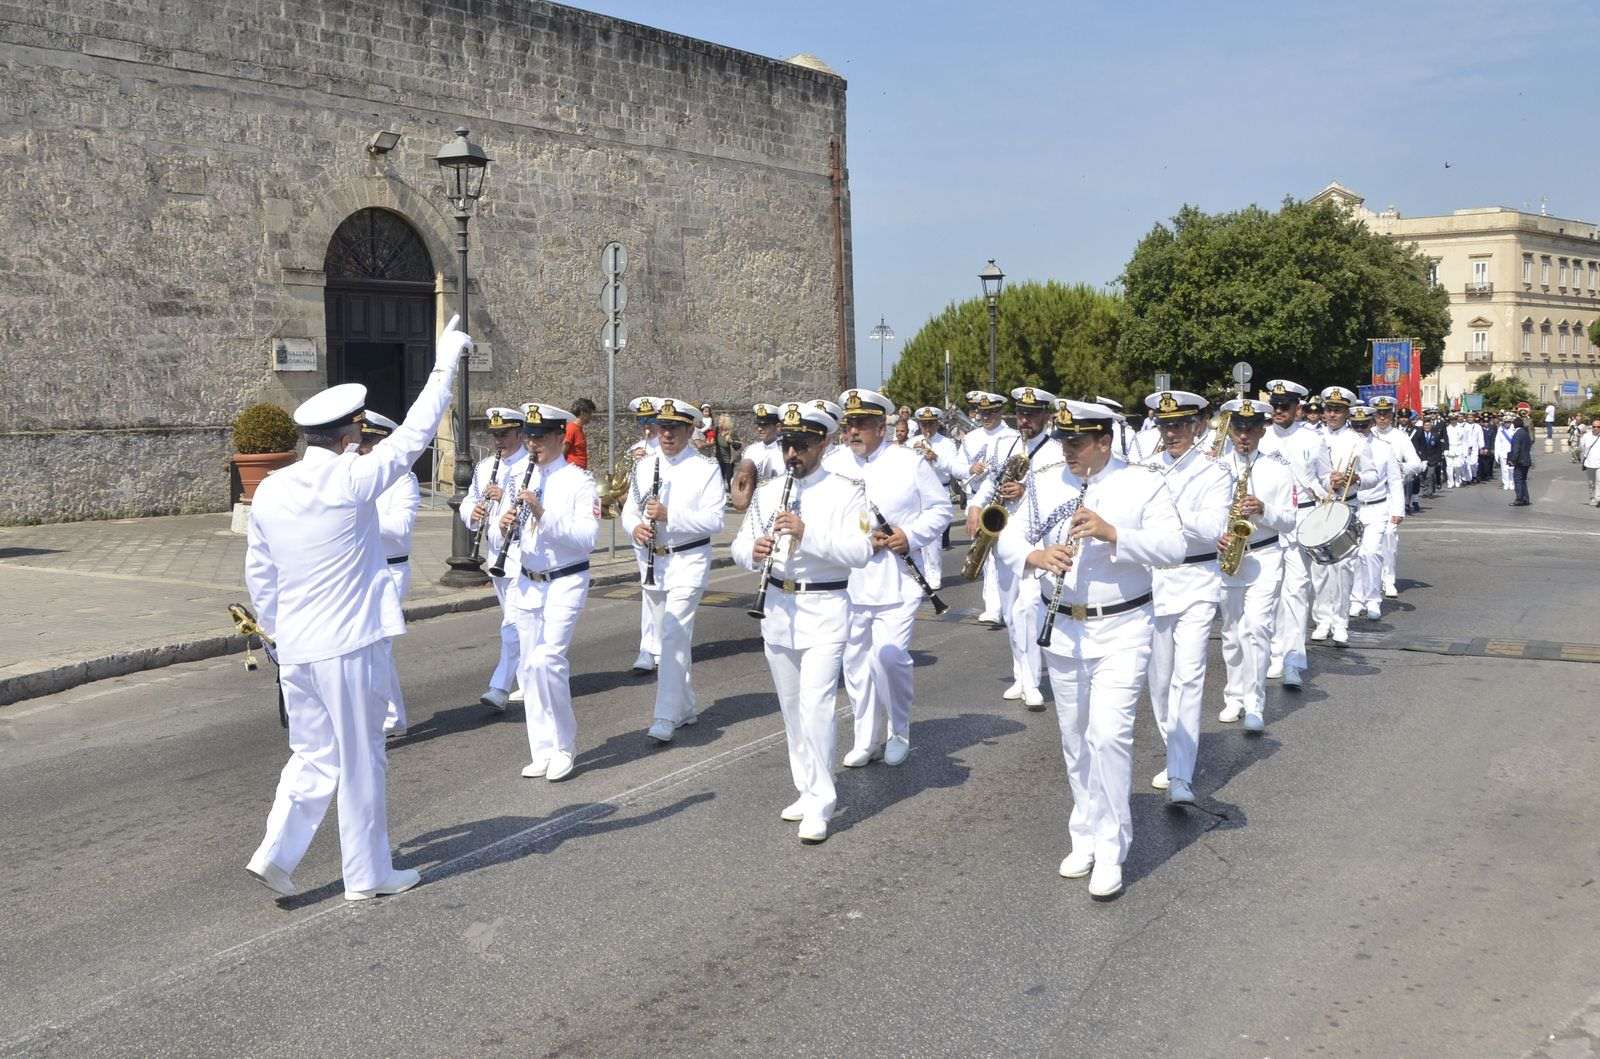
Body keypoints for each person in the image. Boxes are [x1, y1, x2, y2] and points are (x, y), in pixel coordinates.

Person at [243, 314, 471, 902]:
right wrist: (445, 362)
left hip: (295, 646)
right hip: (348, 645)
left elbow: (260, 572)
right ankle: (367, 874)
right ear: (351, 434)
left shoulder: (270, 488)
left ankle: (276, 852)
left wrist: (271, 633)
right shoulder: (351, 479)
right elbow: (417, 434)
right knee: (362, 760)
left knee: (312, 755)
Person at [995, 399, 1184, 899]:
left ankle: (1112, 843)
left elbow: (1173, 548)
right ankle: (1084, 831)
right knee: (1075, 738)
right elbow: (1007, 540)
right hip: (1061, 626)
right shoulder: (1044, 482)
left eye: (1077, 442)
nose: (1068, 451)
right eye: (1063, 441)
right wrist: (1036, 555)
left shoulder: (1142, 483)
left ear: (1104, 441)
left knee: (1109, 736)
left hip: (1123, 627)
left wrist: (1113, 533)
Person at [731, 401, 873, 844]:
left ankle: (821, 802)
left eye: (803, 445)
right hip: (777, 608)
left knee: (816, 707)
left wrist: (807, 533)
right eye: (788, 444)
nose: (793, 453)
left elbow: (861, 552)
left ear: (824, 444)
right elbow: (737, 545)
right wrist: (751, 551)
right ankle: (805, 786)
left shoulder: (848, 490)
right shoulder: (771, 491)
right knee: (792, 709)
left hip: (825, 608)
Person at [823, 388, 953, 767]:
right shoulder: (834, 463)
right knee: (855, 663)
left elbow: (940, 509)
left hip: (897, 580)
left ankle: (899, 729)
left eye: (862, 424)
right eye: (849, 424)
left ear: (882, 426)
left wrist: (908, 535)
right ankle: (865, 738)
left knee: (889, 659)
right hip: (848, 580)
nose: (853, 432)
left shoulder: (908, 462)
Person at [495, 403, 599, 782]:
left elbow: (587, 539)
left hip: (565, 580)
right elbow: (496, 533)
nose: (532, 444)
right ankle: (541, 749)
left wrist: (541, 514)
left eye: (539, 437)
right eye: (529, 437)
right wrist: (502, 526)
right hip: (527, 580)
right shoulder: (521, 478)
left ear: (559, 437)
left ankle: (564, 745)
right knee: (528, 666)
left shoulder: (578, 481)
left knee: (548, 661)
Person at [1138, 390, 1231, 805]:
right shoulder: (1143, 469)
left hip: (1196, 578)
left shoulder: (1215, 471)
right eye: (1164, 424)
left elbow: (1213, 526)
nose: (1171, 432)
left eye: (1178, 425)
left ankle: (1181, 775)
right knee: (1159, 682)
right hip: (1154, 581)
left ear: (1196, 427)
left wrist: (1162, 511)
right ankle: (1172, 748)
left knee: (1189, 677)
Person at [622, 397, 727, 743]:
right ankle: (685, 706)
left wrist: (671, 516)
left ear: (688, 429)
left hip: (689, 560)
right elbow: (629, 510)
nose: (666, 434)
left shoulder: (705, 468)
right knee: (672, 636)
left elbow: (715, 520)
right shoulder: (644, 466)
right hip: (656, 559)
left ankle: (665, 715)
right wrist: (635, 527)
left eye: (674, 428)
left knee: (671, 633)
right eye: (662, 427)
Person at [1215, 400, 1296, 735]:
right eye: (1238, 428)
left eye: (1250, 428)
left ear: (1263, 430)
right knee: (1232, 632)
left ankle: (1255, 702)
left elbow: (1290, 521)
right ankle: (1233, 696)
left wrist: (1263, 510)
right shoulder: (1216, 469)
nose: (1243, 435)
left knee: (1258, 629)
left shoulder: (1277, 470)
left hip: (1264, 556)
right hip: (1229, 558)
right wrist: (1214, 537)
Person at [1258, 379, 1327, 692]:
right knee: (1268, 592)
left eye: (1284, 406)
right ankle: (1273, 652)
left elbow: (1325, 481)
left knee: (1296, 591)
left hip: (1301, 521)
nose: (1278, 411)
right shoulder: (1261, 436)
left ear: (1298, 408)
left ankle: (1293, 661)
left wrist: (1335, 482)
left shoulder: (1313, 439)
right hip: (1267, 521)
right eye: (1274, 406)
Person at [355, 411, 420, 738]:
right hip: (363, 570)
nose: (362, 448)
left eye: (369, 442)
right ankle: (392, 717)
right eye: (361, 441)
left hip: (392, 570)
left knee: (379, 646)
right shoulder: (359, 477)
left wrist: (363, 517)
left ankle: (387, 718)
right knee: (372, 648)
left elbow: (401, 528)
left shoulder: (403, 481)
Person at [461, 406, 528, 711]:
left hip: (523, 556)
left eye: (505, 434)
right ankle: (529, 682)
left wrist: (504, 500)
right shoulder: (486, 466)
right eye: (495, 434)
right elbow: (469, 501)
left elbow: (533, 509)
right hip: (496, 554)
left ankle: (499, 686)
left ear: (520, 433)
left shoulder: (532, 464)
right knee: (516, 621)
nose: (499, 440)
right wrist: (473, 513)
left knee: (513, 623)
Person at [1308, 387, 1377, 647]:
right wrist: (1324, 485)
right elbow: (1305, 474)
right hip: (1320, 505)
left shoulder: (1358, 441)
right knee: (1319, 569)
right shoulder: (1311, 437)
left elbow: (1372, 475)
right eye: (1328, 409)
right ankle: (1322, 619)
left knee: (1344, 568)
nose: (1332, 414)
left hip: (1347, 506)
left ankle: (1340, 622)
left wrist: (1354, 478)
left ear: (1347, 412)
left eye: (1337, 410)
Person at [960, 390, 1021, 625]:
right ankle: (993, 607)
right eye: (983, 412)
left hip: (1011, 506)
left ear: (1001, 412)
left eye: (991, 412)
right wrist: (969, 470)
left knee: (1007, 556)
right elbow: (961, 467)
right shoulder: (972, 437)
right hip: (981, 498)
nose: (986, 417)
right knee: (986, 555)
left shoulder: (1012, 436)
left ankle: (1008, 606)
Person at [1346, 406, 1403, 621]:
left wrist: (1397, 509)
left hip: (1378, 506)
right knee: (1354, 555)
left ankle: (1373, 600)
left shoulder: (1383, 447)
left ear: (1371, 423)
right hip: (1352, 506)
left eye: (1364, 424)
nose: (1360, 429)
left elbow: (1394, 480)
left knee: (1370, 553)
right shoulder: (1345, 444)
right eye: (1355, 424)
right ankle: (1355, 599)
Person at [1371, 396, 1423, 598]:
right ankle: (1370, 580)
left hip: (1391, 494)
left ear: (1392, 415)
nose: (1382, 418)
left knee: (1389, 539)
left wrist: (1399, 467)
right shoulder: (1367, 433)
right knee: (1368, 544)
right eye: (1378, 414)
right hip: (1368, 493)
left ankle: (1389, 579)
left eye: (1385, 414)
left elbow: (1416, 463)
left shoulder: (1400, 437)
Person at [626, 396, 663, 673]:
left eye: (650, 420)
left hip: (666, 530)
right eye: (641, 421)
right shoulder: (635, 449)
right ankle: (649, 648)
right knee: (649, 591)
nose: (646, 427)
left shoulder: (670, 451)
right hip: (642, 528)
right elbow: (625, 492)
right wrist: (633, 465)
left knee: (662, 593)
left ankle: (660, 646)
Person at [913, 405, 963, 585]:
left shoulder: (946, 443)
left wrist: (935, 458)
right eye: (924, 424)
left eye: (931, 424)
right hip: (916, 492)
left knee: (933, 537)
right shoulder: (914, 442)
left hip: (938, 490)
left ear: (937, 424)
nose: (927, 428)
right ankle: (919, 572)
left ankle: (933, 575)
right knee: (915, 533)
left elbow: (953, 469)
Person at [729, 402, 784, 512]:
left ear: (777, 427)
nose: (759, 429)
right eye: (758, 425)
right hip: (754, 506)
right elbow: (741, 479)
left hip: (778, 505)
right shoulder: (751, 450)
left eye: (765, 425)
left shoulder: (786, 451)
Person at [562, 397, 594, 470]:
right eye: (590, 413)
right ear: (582, 413)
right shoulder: (571, 428)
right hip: (572, 472)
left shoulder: (579, 429)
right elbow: (562, 452)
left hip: (579, 471)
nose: (591, 417)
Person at [1509, 413, 1534, 506]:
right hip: (1527, 460)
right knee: (1523, 480)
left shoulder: (1517, 434)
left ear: (1515, 424)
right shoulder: (1525, 433)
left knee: (1518, 479)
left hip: (1520, 461)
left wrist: (1512, 460)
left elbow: (1516, 449)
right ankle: (1525, 498)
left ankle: (1519, 498)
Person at [1581, 418, 1600, 506]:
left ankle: (1598, 498)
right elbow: (1582, 447)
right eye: (1594, 426)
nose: (1596, 428)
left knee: (1599, 481)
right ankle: (1592, 497)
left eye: (1598, 426)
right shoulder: (1586, 436)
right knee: (1591, 482)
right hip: (1589, 463)